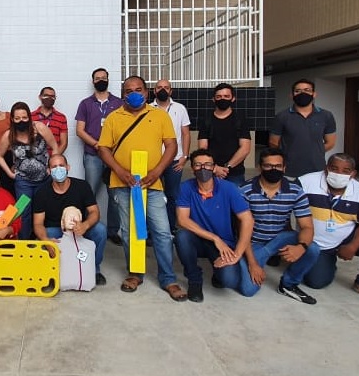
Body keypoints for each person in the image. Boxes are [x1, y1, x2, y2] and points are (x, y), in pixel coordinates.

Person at [99, 75, 183, 300]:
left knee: (162, 232)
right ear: (123, 95)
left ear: (146, 93)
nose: (134, 94)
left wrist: (157, 171)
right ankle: (135, 273)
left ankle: (168, 278)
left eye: (138, 90)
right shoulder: (114, 118)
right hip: (122, 184)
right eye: (129, 91)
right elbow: (103, 148)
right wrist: (119, 171)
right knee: (129, 232)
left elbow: (171, 146)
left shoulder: (159, 116)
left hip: (152, 184)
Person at [299, 153, 359, 303]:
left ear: (353, 174)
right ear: (326, 169)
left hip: (347, 236)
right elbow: (285, 204)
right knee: (316, 282)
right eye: (334, 169)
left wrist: (353, 246)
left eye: (345, 171)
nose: (339, 174)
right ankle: (326, 262)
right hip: (316, 243)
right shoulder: (305, 182)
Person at [240, 148, 321, 304]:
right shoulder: (245, 190)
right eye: (268, 166)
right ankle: (265, 255)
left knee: (312, 248)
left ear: (284, 168)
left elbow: (307, 227)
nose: (273, 169)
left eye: (278, 166)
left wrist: (301, 247)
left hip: (281, 239)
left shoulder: (295, 191)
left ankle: (288, 284)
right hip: (254, 242)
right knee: (248, 290)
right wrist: (253, 263)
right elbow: (241, 231)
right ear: (260, 167)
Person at [175, 149, 255, 302]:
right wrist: (214, 238)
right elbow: (182, 220)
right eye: (198, 165)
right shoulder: (186, 187)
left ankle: (218, 274)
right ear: (192, 168)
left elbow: (248, 220)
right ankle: (194, 279)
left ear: (214, 167)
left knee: (230, 280)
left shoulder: (228, 188)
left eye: (207, 164)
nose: (203, 168)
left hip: (224, 243)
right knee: (181, 236)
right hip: (199, 239)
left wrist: (237, 254)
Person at [32, 154, 107, 285]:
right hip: (56, 231)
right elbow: (38, 223)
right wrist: (45, 240)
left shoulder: (82, 186)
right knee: (43, 236)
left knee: (100, 230)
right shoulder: (41, 192)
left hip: (79, 228)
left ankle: (94, 269)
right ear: (48, 171)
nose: (58, 169)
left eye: (61, 165)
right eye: (54, 167)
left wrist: (85, 225)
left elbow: (94, 212)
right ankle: (53, 270)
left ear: (68, 167)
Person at [0, 102, 58, 239]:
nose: (21, 121)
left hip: (44, 180)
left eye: (24, 117)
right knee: (23, 212)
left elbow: (55, 147)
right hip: (23, 183)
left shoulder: (40, 128)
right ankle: (24, 242)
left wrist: (51, 167)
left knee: (43, 211)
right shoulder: (9, 135)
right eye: (17, 118)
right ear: (12, 119)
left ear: (29, 117)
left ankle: (44, 241)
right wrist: (9, 173)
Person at [76, 68, 123, 245]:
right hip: (93, 156)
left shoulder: (119, 103)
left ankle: (113, 231)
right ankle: (86, 228)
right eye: (98, 78)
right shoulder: (85, 104)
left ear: (108, 79)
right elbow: (80, 130)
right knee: (89, 193)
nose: (101, 80)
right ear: (93, 81)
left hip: (114, 157)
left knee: (115, 194)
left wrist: (110, 148)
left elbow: (124, 128)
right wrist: (97, 145)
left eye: (104, 77)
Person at [269, 78, 337, 178]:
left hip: (317, 170)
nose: (302, 93)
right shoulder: (281, 116)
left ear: (314, 94)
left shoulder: (326, 116)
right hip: (289, 171)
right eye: (298, 91)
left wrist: (314, 151)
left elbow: (330, 143)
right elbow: (273, 143)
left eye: (307, 90)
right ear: (291, 95)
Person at [150, 79, 191, 231]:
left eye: (166, 87)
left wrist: (184, 157)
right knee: (153, 195)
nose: (163, 90)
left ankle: (171, 226)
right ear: (154, 91)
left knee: (172, 195)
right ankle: (153, 228)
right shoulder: (148, 109)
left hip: (175, 160)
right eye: (159, 87)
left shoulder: (180, 108)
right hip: (153, 161)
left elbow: (186, 134)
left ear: (171, 91)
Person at [198, 83, 252, 186]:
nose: (222, 99)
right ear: (213, 99)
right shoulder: (207, 120)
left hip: (235, 173)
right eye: (219, 97)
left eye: (226, 96)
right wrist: (214, 168)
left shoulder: (240, 119)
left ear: (233, 98)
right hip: (210, 172)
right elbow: (202, 148)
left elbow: (245, 148)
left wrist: (227, 167)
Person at [32, 86, 68, 155]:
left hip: (54, 157)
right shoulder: (31, 117)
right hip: (34, 158)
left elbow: (64, 143)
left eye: (52, 96)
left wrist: (54, 158)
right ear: (40, 97)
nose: (49, 98)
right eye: (46, 95)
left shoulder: (61, 117)